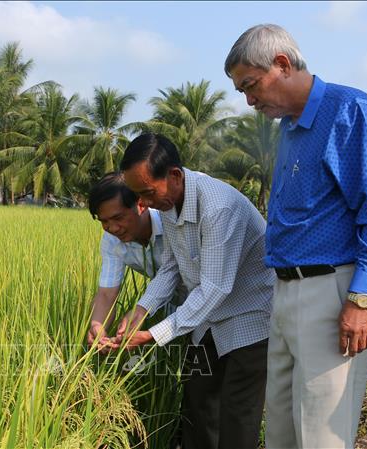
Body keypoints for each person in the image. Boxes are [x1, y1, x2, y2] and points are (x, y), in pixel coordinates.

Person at [224, 24, 367, 449]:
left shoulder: (347, 110)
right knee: (282, 435)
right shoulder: (287, 128)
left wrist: (362, 298)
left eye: (251, 85)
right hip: (284, 293)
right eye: (242, 92)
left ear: (282, 65)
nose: (249, 101)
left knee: (323, 436)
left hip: (331, 294)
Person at [110, 133, 275, 449]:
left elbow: (214, 288)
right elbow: (172, 267)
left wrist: (152, 335)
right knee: (198, 409)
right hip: (206, 323)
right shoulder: (169, 203)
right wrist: (140, 310)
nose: (142, 204)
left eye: (146, 192)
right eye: (136, 195)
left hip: (250, 320)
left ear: (173, 175)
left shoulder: (218, 207)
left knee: (237, 415)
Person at [86, 171, 185, 350]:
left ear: (141, 204)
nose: (112, 228)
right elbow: (107, 293)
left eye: (118, 218)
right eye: (104, 221)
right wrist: (97, 326)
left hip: (205, 302)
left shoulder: (170, 223)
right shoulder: (112, 240)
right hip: (170, 310)